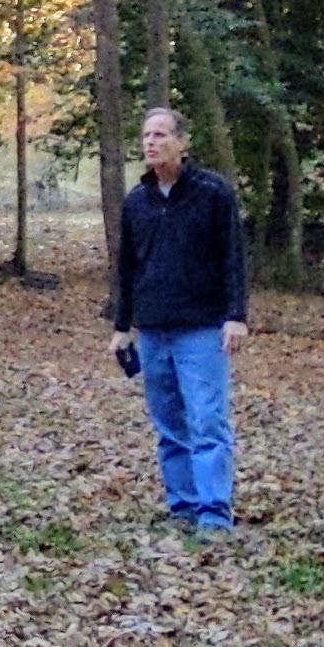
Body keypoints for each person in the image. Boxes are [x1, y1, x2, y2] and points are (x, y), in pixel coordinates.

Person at [110, 107, 248, 539]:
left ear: (181, 142)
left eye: (161, 134)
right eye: (146, 135)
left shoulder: (212, 194)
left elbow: (233, 258)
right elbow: (127, 268)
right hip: (153, 329)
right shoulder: (137, 202)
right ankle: (182, 506)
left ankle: (214, 513)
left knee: (207, 420)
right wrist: (121, 326)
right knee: (169, 424)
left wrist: (236, 316)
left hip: (202, 328)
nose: (151, 142)